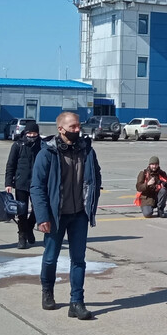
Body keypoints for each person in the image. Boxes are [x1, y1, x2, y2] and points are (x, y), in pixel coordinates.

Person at [30, 112, 102, 320]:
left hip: (80, 214)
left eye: (78, 126)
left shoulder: (87, 151)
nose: (77, 130)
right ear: (61, 129)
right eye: (72, 127)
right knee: (50, 257)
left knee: (78, 260)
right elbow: (37, 187)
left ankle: (76, 302)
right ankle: (47, 291)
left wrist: (91, 203)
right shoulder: (47, 154)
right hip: (55, 216)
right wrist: (42, 217)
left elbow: (95, 176)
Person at [4, 121, 41, 249]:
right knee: (22, 212)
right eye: (29, 133)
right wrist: (8, 182)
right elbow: (10, 165)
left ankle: (29, 228)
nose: (32, 135)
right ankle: (22, 236)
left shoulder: (42, 145)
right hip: (21, 183)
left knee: (38, 209)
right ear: (25, 133)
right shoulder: (18, 145)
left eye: (34, 133)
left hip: (38, 184)